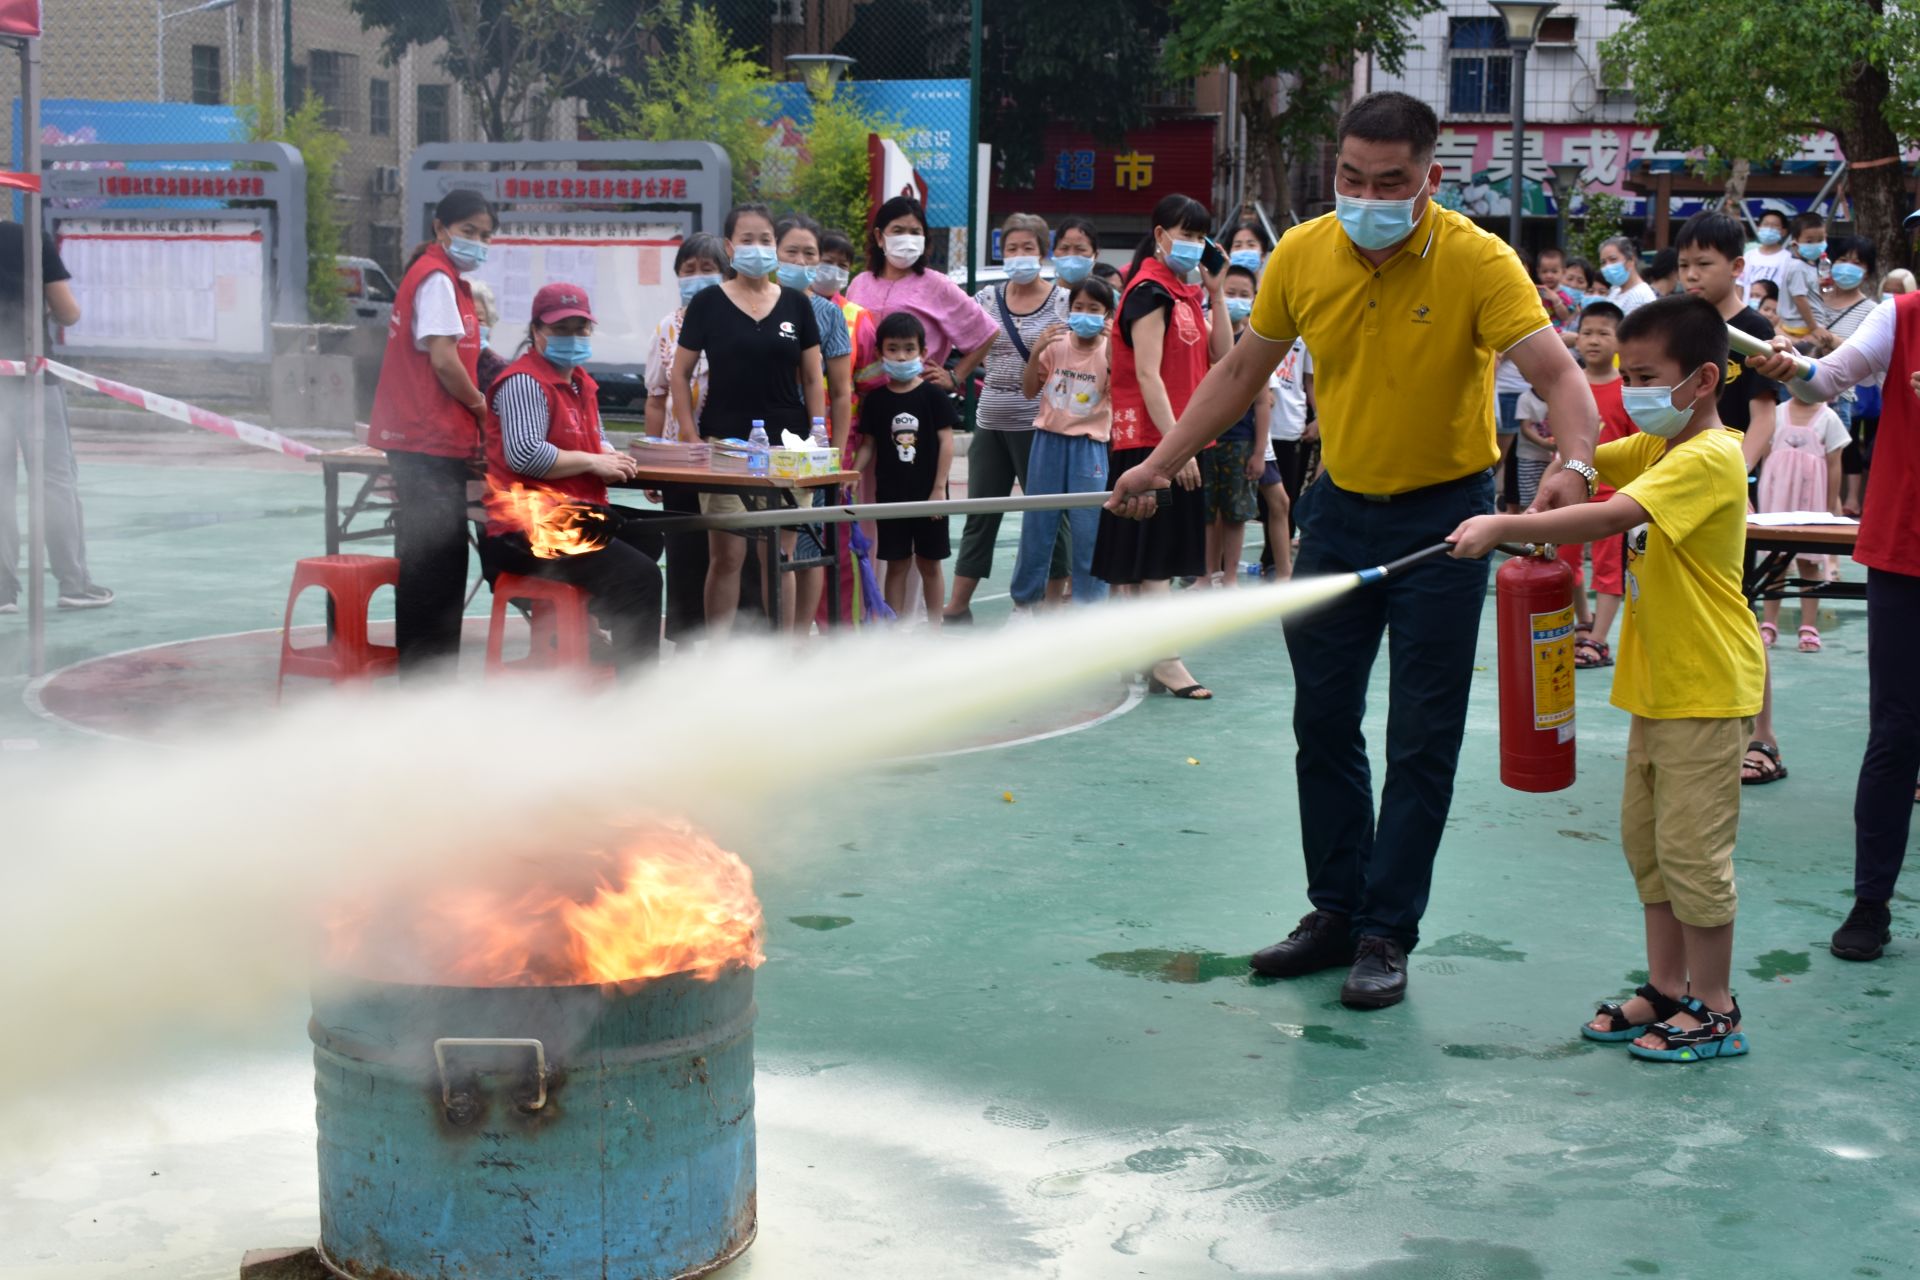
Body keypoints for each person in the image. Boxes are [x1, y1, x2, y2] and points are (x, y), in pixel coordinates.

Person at [1107, 92, 1599, 1009]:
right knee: (1323, 724)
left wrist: (1574, 463)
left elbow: (1559, 373)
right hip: (1337, 516)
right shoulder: (1303, 253)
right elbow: (1241, 370)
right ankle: (1335, 911)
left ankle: (1387, 930)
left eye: (1390, 182)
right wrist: (1156, 462)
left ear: (1429, 180)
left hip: (1445, 527)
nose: (1366, 195)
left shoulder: (1476, 261)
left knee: (1422, 737)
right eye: (1350, 177)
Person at [1449, 294, 1765, 1064]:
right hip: (1657, 689)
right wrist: (1569, 468)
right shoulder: (1662, 449)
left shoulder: (1708, 458)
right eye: (1627, 374)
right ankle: (1665, 987)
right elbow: (1591, 467)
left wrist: (1508, 524)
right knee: (1649, 847)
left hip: (1706, 687)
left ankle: (1715, 1006)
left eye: (1649, 375)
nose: (1635, 389)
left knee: (1694, 854)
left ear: (1704, 380)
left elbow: (1605, 517)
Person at [1748, 209, 1920, 962]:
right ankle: (1871, 904)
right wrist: (1793, 367)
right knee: (1895, 732)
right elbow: (1832, 373)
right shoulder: (1902, 316)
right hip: (1907, 552)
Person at [1092, 192, 1234, 700]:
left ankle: (1140, 653)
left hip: (1176, 440)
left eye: (1201, 236)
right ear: (1159, 235)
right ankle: (1165, 660)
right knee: (1153, 559)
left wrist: (1215, 291)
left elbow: (1225, 356)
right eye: (1187, 233)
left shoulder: (1184, 293)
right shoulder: (1148, 293)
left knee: (1159, 559)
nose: (1195, 244)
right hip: (1151, 446)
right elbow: (1147, 376)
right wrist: (1179, 449)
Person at [480, 282, 661, 672]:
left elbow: (592, 442)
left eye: (581, 328)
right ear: (536, 332)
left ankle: (590, 635)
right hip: (526, 530)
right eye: (561, 329)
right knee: (640, 577)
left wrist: (608, 455)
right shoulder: (524, 382)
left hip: (567, 517)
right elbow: (524, 454)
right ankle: (637, 689)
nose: (573, 337)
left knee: (649, 535)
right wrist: (594, 462)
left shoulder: (581, 382)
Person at [670, 203, 825, 637]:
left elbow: (814, 378)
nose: (756, 248)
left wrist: (816, 435)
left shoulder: (796, 304)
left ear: (775, 246)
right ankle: (718, 656)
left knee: (781, 556)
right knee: (727, 557)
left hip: (789, 450)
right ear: (728, 246)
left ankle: (784, 653)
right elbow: (679, 374)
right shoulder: (707, 303)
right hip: (725, 445)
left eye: (764, 240)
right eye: (746, 240)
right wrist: (689, 433)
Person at [1672, 210, 1787, 787]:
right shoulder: (1680, 325)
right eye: (1683, 264)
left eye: (1704, 264)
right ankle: (1694, 730)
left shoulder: (1755, 330)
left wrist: (1734, 478)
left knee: (1739, 615)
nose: (1691, 275)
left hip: (1729, 494)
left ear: (1737, 267)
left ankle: (1763, 738)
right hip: (1676, 492)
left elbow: (1764, 419)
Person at [367, 188, 497, 677]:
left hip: (428, 438)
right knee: (432, 565)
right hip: (425, 439)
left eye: (485, 235)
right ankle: (425, 682)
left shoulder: (446, 279)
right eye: (469, 232)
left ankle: (431, 677)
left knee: (436, 561)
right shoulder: (438, 278)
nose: (478, 243)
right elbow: (444, 359)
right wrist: (481, 406)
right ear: (441, 229)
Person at [946, 213, 1070, 620]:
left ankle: (1052, 604)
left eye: (1028, 248)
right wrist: (953, 376)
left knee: (1048, 515)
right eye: (1011, 249)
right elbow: (970, 345)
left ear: (1042, 252)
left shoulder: (1062, 301)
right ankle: (958, 604)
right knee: (980, 513)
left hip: (1040, 422)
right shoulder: (986, 298)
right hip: (990, 419)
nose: (1019, 256)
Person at [0, 219, 110, 614]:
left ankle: (2, 591)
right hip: (33, 380)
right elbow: (68, 312)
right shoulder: (27, 239)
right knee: (54, 482)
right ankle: (73, 584)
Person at [641, 233, 728, 646]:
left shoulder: (738, 322)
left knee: (729, 552)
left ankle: (730, 639)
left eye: (707, 269)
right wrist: (653, 460)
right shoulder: (666, 328)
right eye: (688, 270)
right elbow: (657, 398)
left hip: (730, 460)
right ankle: (687, 641)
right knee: (686, 553)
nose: (697, 277)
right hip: (681, 463)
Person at [1010, 276, 1115, 609]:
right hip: (1048, 442)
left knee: (1089, 533)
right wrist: (1036, 352)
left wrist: (1118, 354)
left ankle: (1089, 612)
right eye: (1079, 307)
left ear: (1107, 314)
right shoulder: (1056, 345)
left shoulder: (1111, 352)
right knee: (1038, 528)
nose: (1085, 314)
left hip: (1089, 447)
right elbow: (1029, 390)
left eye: (1094, 309)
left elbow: (1124, 393)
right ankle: (1024, 605)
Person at [776, 213, 855, 635]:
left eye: (809, 253)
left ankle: (799, 636)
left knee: (808, 544)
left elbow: (840, 391)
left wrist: (834, 455)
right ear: (774, 252)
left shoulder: (827, 314)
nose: (801, 259)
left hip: (809, 446)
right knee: (763, 546)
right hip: (757, 439)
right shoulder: (753, 306)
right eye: (792, 250)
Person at [853, 312, 958, 622]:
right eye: (893, 348)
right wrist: (852, 475)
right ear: (880, 353)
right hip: (891, 497)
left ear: (923, 353)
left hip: (929, 497)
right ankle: (894, 630)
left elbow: (947, 442)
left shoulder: (934, 396)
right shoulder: (875, 400)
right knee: (896, 564)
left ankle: (935, 627)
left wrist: (939, 489)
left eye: (909, 349)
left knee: (930, 563)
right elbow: (868, 445)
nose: (901, 356)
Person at [845, 195, 995, 396]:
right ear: (880, 237)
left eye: (915, 232)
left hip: (918, 398)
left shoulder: (937, 285)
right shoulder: (859, 283)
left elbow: (987, 332)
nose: (907, 238)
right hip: (865, 400)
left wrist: (954, 377)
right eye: (898, 231)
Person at [1756, 355, 1848, 653]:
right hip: (1777, 502)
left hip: (1812, 504)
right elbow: (1764, 456)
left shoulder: (1829, 419)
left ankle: (1808, 624)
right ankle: (1768, 622)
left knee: (1810, 563)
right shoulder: (1777, 414)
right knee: (1775, 563)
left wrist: (1831, 506)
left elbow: (1834, 465)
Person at [1568, 300, 1637, 669]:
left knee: (1610, 570)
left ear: (1619, 341)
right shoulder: (1570, 384)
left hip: (1613, 497)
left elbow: (1639, 446)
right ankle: (1583, 623)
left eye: (1603, 333)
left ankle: (1599, 640)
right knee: (1566, 562)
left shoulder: (1627, 389)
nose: (1593, 340)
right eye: (1587, 332)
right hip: (1572, 492)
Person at [1200, 263, 1268, 587]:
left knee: (1236, 513)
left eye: (1244, 294)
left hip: (1241, 441)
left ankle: (1229, 577)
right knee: (1207, 512)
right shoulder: (1207, 335)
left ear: (1255, 298)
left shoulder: (1256, 342)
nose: (1238, 299)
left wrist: (1259, 452)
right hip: (1206, 438)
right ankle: (1206, 573)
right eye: (1231, 293)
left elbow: (1261, 401)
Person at [1821, 236, 1879, 515]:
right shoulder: (1813, 302)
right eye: (1843, 260)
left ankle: (1841, 503)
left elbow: (1867, 353)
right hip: (1801, 389)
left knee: (1843, 447)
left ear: (1867, 270)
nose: (1848, 267)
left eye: (1857, 262)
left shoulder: (1873, 311)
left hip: (1845, 392)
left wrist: (1830, 340)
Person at [1260, 336, 1315, 580]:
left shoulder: (1306, 337)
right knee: (1246, 504)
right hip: (1253, 432)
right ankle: (1215, 566)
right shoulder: (1258, 332)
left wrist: (1319, 419)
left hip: (1290, 426)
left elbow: (1310, 380)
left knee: (1285, 499)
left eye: (1243, 293)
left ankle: (1275, 562)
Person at [1776, 212, 1830, 343]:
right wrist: (1814, 328)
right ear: (1795, 243)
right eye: (1809, 241)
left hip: (1805, 327)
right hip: (1801, 329)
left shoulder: (1808, 263)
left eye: (1821, 239)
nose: (1816, 244)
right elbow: (1799, 298)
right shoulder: (1798, 267)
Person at [1738, 208, 1793, 299]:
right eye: (1766, 225)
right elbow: (1739, 285)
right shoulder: (1749, 255)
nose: (1769, 229)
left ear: (1783, 232)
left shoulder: (1788, 258)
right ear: (1759, 228)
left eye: (1774, 225)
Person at [1599, 235, 1656, 314]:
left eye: (1613, 259)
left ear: (1631, 260)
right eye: (1603, 262)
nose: (1607, 266)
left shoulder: (1640, 298)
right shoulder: (1615, 291)